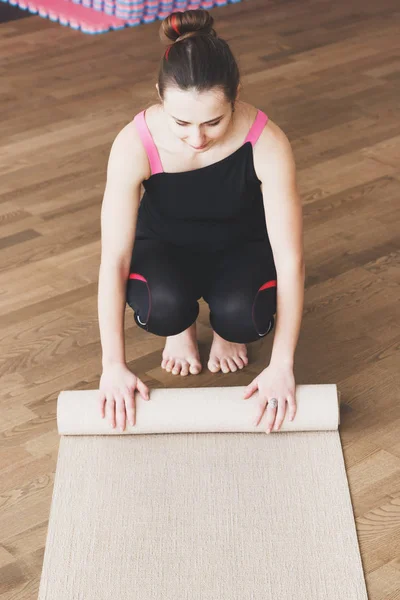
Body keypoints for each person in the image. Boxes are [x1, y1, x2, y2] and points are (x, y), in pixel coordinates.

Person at [98, 9, 305, 434]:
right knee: (164, 309)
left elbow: (291, 260)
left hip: (241, 247)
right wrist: (112, 365)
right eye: (181, 122)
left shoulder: (267, 141)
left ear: (236, 95)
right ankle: (183, 328)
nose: (197, 138)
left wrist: (283, 365)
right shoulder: (133, 143)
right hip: (165, 246)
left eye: (214, 121)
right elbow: (114, 261)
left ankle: (227, 330)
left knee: (242, 318)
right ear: (160, 94)